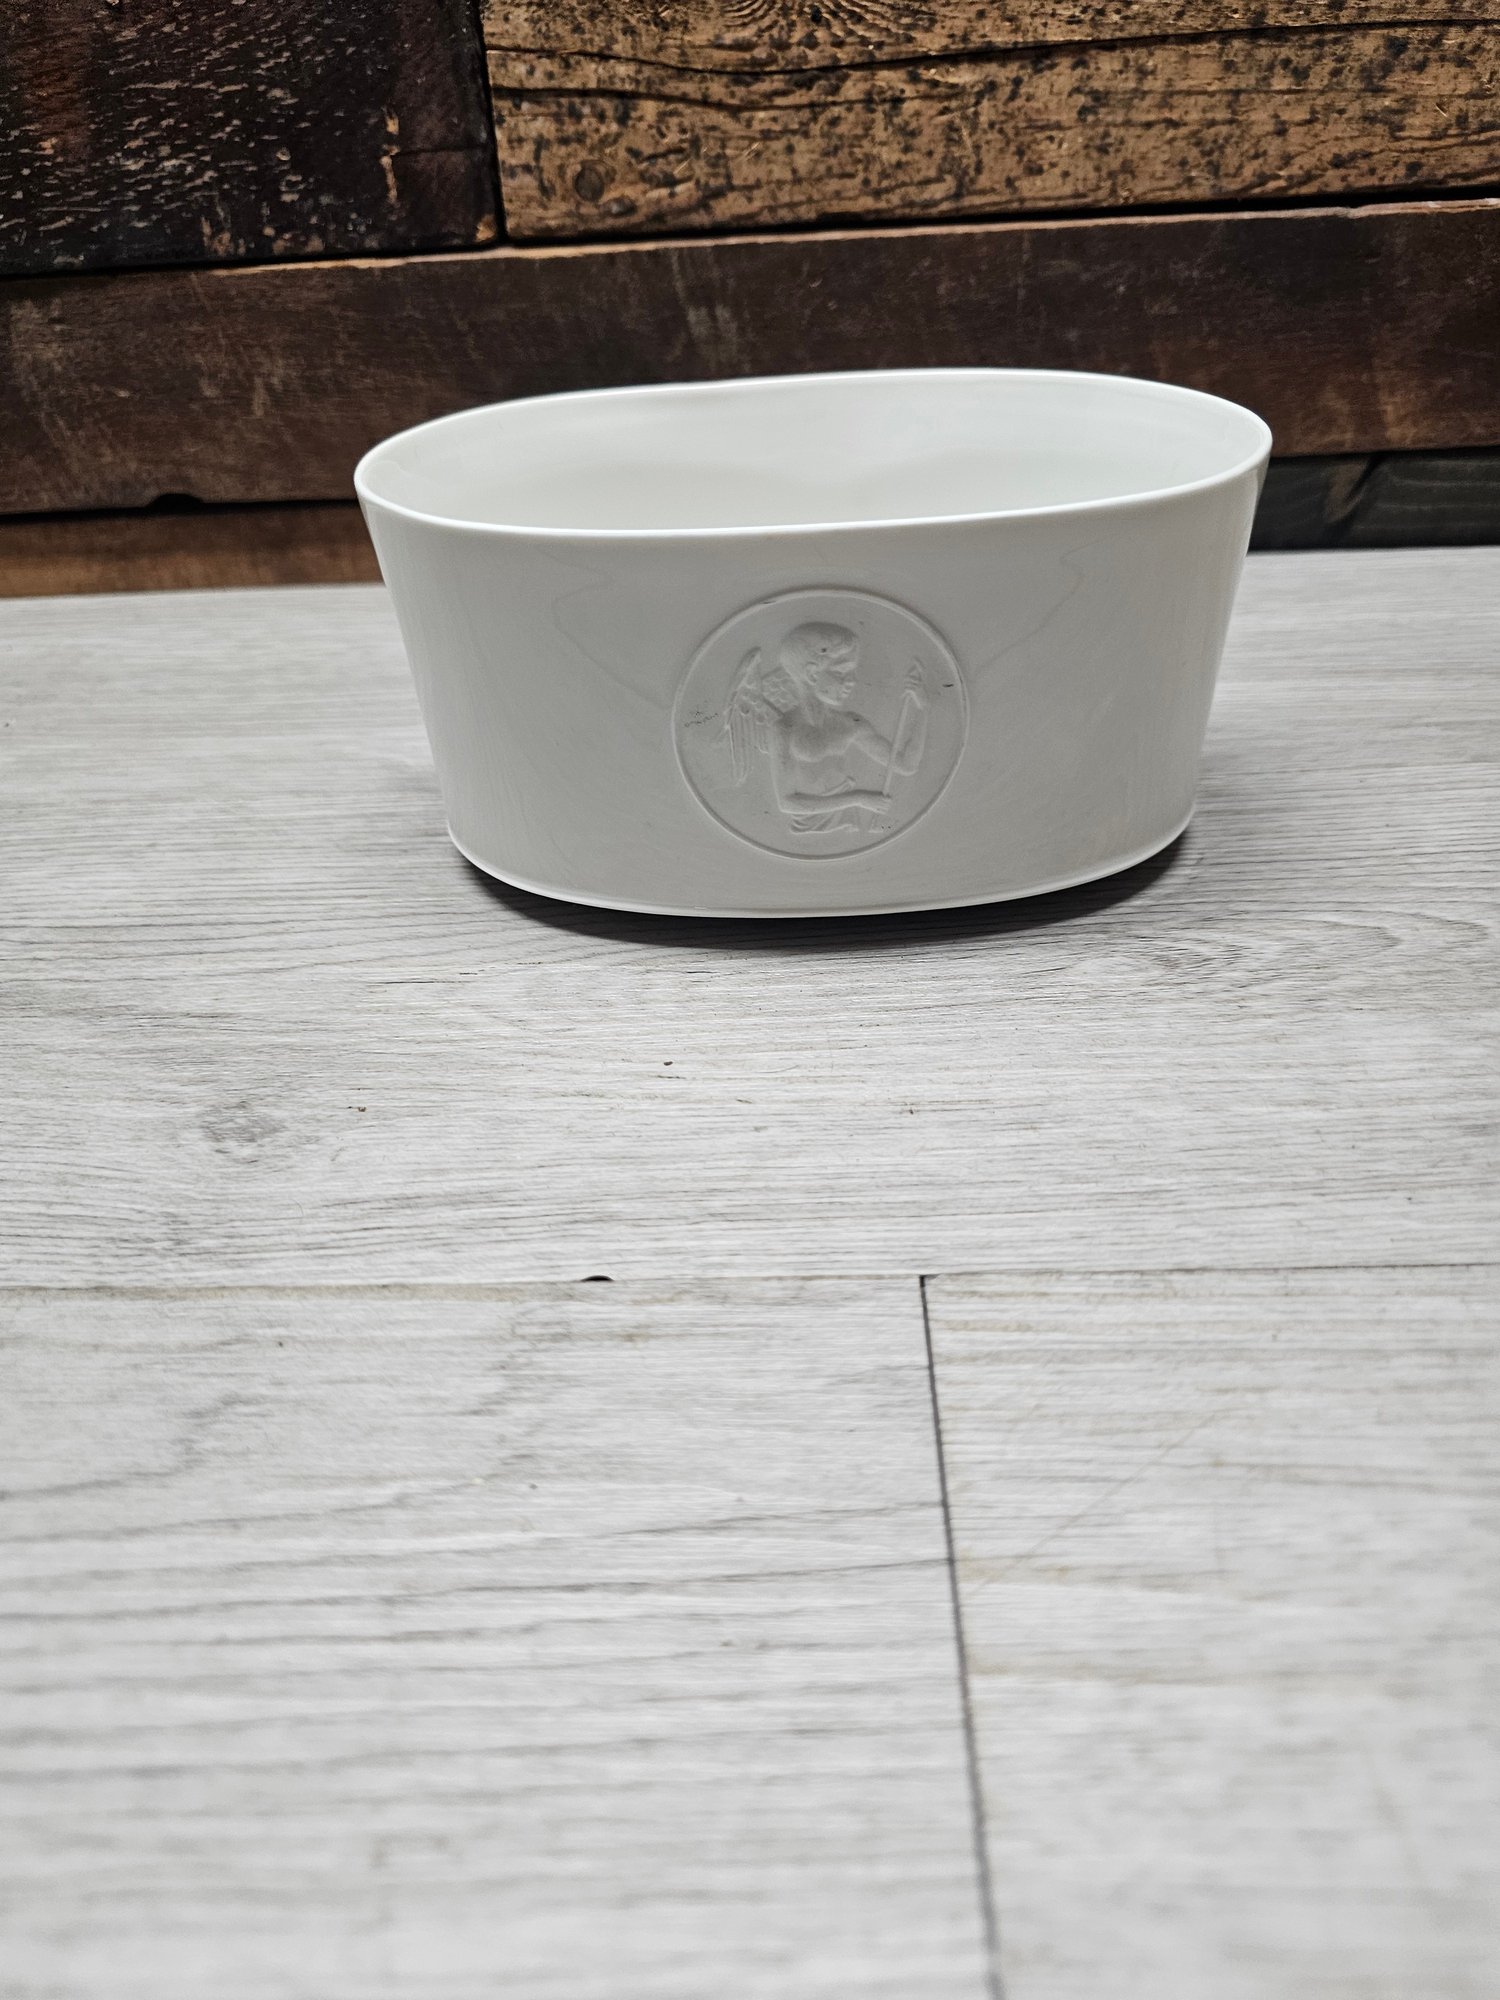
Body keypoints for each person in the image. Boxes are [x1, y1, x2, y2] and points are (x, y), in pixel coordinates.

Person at [724, 621, 928, 833]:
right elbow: (787, 803)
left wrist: (923, 708)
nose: (852, 680)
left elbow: (906, 765)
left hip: (850, 829)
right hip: (808, 829)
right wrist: (857, 799)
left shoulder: (851, 724)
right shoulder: (785, 730)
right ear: (812, 673)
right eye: (842, 671)